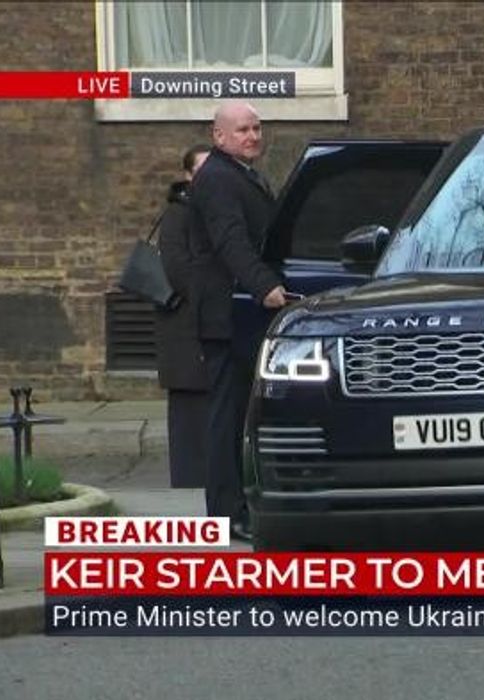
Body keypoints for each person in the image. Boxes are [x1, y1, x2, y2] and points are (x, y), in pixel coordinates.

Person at [189, 101, 288, 540]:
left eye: (256, 128)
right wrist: (265, 286)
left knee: (238, 415)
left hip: (238, 312)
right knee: (226, 417)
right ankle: (225, 514)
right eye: (243, 130)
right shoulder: (216, 179)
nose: (253, 136)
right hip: (225, 314)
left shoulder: (242, 174)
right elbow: (231, 241)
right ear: (219, 136)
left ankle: (239, 505)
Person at [155, 144, 211, 489]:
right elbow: (177, 268)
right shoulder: (179, 214)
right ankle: (190, 481)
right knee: (189, 410)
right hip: (184, 326)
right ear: (188, 175)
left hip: (202, 324)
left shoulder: (209, 210)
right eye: (201, 170)